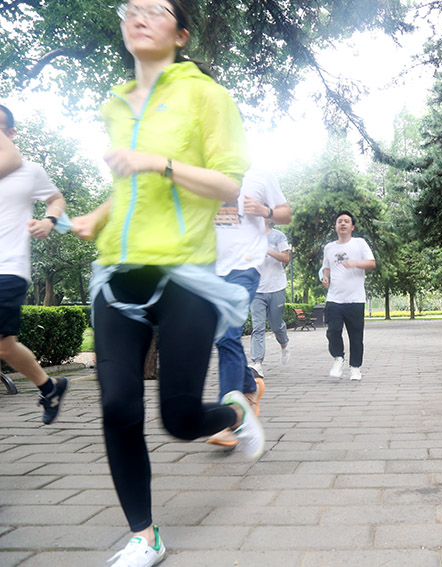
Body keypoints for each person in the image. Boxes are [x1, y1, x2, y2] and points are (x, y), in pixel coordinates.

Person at [70, 2, 263, 565]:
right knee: (118, 405)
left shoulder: (206, 95)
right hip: (117, 273)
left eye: (155, 10)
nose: (139, 16)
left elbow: (227, 184)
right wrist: (99, 215)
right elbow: (128, 190)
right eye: (131, 8)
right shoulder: (115, 104)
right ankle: (144, 534)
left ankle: (235, 412)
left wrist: (158, 162)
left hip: (186, 274)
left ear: (181, 34)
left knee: (179, 421)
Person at [207, 167, 290, 447]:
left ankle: (230, 420)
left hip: (245, 267)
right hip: (209, 268)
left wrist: (266, 211)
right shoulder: (201, 172)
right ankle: (249, 385)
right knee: (223, 337)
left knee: (227, 335)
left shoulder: (259, 175)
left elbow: (286, 214)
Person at [0, 104, 70, 424]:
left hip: (8, 267)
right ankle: (49, 386)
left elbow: (56, 199)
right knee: (6, 347)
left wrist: (49, 221)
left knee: (4, 345)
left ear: (11, 133)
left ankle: (48, 386)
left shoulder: (30, 171)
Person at [321, 211, 376, 381]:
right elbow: (326, 267)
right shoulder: (329, 248)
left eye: (346, 221)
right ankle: (338, 358)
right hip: (334, 298)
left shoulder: (359, 243)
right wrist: (325, 277)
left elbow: (372, 263)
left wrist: (355, 263)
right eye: (340, 221)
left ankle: (355, 368)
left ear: (352, 227)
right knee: (333, 331)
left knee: (356, 337)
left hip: (355, 299)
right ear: (335, 226)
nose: (343, 224)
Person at [249, 220, 292, 376]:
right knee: (258, 327)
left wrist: (267, 250)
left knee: (276, 326)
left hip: (276, 287)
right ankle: (257, 364)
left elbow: (286, 258)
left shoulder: (278, 236)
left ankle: (284, 343)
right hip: (256, 290)